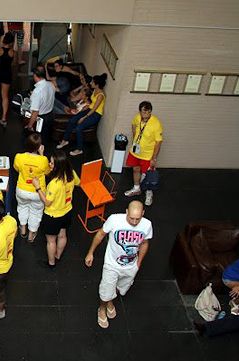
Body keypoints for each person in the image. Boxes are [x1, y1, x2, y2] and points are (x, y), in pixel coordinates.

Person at [84, 200, 152, 329]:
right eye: (131, 218)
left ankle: (111, 300)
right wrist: (90, 252)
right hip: (112, 264)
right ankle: (102, 308)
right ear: (126, 211)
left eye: (138, 219)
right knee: (105, 290)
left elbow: (144, 243)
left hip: (131, 266)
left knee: (119, 288)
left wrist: (138, 263)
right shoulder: (114, 220)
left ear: (143, 213)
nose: (134, 222)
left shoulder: (147, 225)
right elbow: (100, 234)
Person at [33, 150, 80, 267]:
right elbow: (78, 183)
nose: (50, 164)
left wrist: (38, 187)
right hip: (67, 211)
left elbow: (47, 202)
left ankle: (51, 262)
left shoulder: (54, 184)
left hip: (53, 216)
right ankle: (58, 255)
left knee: (51, 240)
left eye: (52, 163)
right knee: (63, 235)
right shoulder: (71, 173)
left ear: (58, 165)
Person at [56, 73, 107, 156]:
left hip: (95, 114)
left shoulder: (100, 95)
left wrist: (83, 117)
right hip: (89, 109)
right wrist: (85, 108)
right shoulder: (95, 90)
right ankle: (65, 140)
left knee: (79, 128)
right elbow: (91, 104)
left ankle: (79, 149)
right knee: (72, 120)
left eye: (92, 82)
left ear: (97, 85)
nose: (91, 83)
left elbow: (95, 109)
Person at [123, 101, 163, 206]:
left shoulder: (156, 123)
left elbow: (158, 142)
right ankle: (136, 188)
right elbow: (133, 125)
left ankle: (149, 194)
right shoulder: (137, 118)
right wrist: (134, 138)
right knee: (135, 169)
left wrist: (154, 158)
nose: (146, 115)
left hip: (147, 154)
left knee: (148, 175)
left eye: (148, 112)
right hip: (136, 151)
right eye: (144, 112)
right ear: (140, 111)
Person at [13, 133, 50, 242]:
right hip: (37, 193)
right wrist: (42, 154)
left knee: (22, 208)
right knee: (36, 212)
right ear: (39, 147)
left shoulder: (19, 157)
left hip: (22, 190)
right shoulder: (43, 160)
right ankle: (31, 235)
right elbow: (47, 172)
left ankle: (23, 229)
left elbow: (16, 169)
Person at [25, 67, 55, 146]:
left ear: (35, 76)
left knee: (36, 142)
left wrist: (30, 125)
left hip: (41, 120)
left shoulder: (37, 91)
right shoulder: (51, 84)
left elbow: (35, 112)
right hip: (51, 115)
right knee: (45, 140)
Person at [0, 32, 15, 126]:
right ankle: (4, 117)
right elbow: (14, 63)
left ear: (4, 40)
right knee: (5, 95)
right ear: (11, 42)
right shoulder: (13, 52)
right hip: (7, 74)